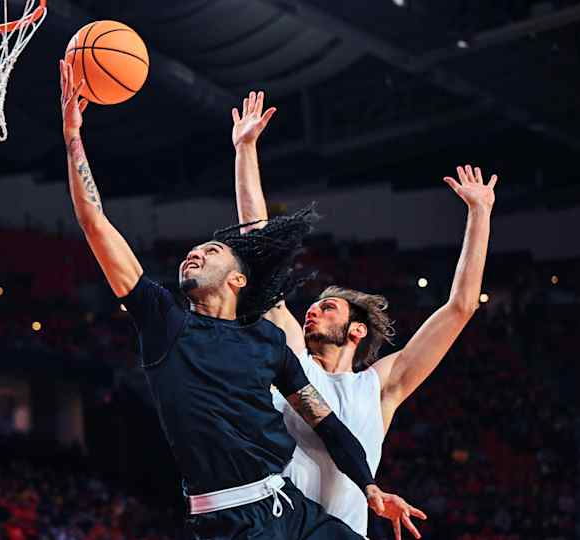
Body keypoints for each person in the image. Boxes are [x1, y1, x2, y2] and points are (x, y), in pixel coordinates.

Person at [59, 60, 408, 540]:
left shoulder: (267, 341)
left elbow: (327, 424)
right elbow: (94, 222)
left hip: (288, 505)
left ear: (239, 279)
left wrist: (370, 487)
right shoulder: (165, 322)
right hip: (229, 520)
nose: (195, 253)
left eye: (211, 251)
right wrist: (73, 136)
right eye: (193, 252)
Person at [231, 90, 498, 538]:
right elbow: (259, 254)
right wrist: (245, 149)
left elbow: (461, 307)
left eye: (327, 307)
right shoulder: (293, 360)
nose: (312, 311)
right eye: (313, 306)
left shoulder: (380, 387)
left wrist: (481, 213)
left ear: (356, 330)